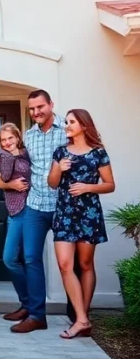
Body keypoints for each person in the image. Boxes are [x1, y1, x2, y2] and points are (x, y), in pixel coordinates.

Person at [49, 109, 115, 339]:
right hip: (64, 213)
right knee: (65, 265)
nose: (67, 125)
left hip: (88, 214)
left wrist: (88, 187)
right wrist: (59, 168)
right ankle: (82, 319)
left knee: (85, 264)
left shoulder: (98, 153)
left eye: (72, 122)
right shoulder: (60, 152)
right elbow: (52, 183)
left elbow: (110, 184)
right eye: (66, 122)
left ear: (84, 126)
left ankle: (82, 318)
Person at [8, 89, 66, 334]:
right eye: (32, 109)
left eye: (40, 107)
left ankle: (78, 315)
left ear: (51, 104)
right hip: (35, 205)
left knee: (69, 263)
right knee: (31, 258)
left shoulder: (67, 130)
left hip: (64, 206)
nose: (36, 112)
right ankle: (36, 315)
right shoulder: (29, 136)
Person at [0, 123, 34, 324]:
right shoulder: (4, 156)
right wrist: (11, 184)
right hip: (14, 211)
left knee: (29, 259)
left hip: (31, 210)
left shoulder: (29, 154)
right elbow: (1, 180)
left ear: (18, 137)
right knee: (10, 258)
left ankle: (31, 306)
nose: (7, 142)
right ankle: (27, 304)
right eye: (3, 140)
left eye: (10, 138)